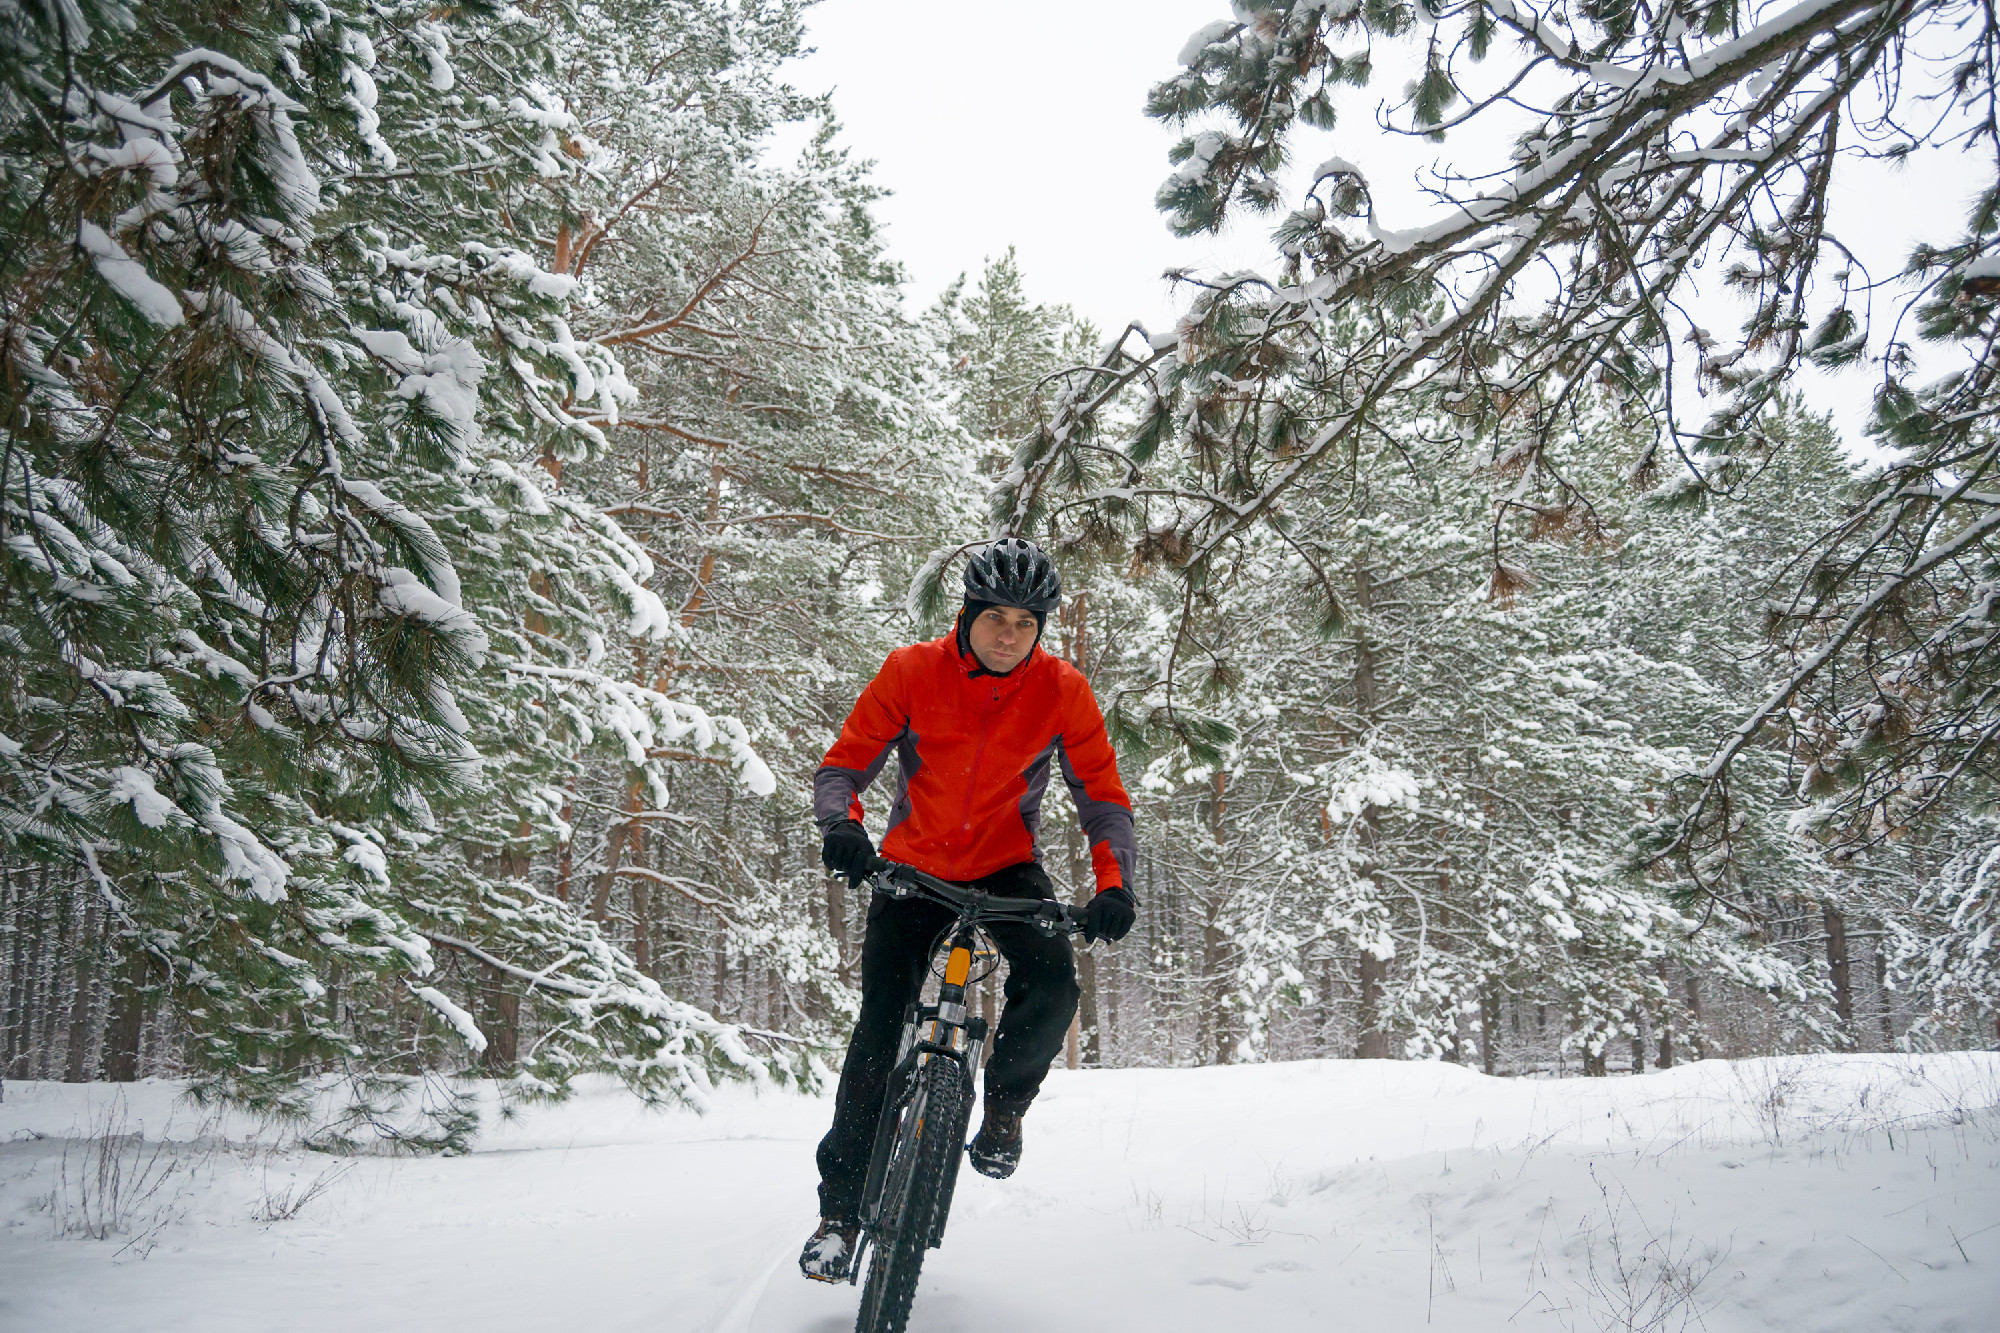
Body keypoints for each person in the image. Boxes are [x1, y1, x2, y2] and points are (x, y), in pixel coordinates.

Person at [798, 537, 1139, 1283]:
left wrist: (1114, 884)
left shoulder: (1061, 689)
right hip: (912, 865)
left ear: (1041, 625)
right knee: (878, 1029)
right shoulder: (911, 670)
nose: (1010, 634)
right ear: (967, 613)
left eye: (1026, 620)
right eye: (995, 617)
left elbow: (1103, 799)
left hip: (1007, 864)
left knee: (1054, 987)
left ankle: (1006, 1108)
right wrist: (843, 827)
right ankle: (839, 1212)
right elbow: (845, 762)